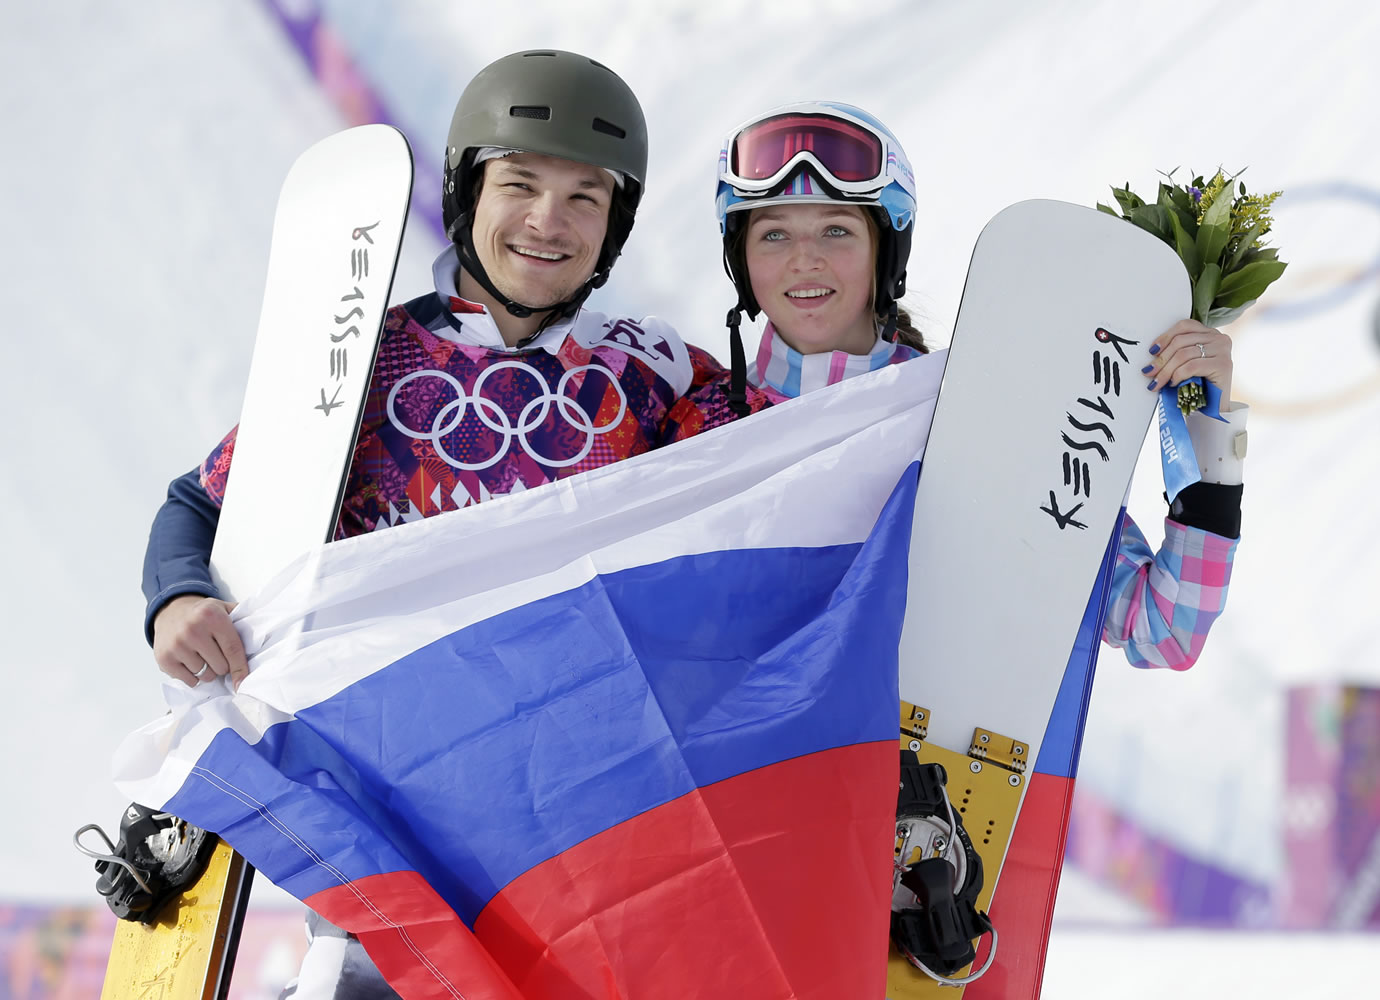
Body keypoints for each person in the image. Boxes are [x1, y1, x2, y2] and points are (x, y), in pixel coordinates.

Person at [142, 49, 731, 690]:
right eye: (519, 184)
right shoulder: (367, 358)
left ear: (612, 228)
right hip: (392, 736)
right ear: (468, 193)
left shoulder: (650, 371)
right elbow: (201, 502)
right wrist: (179, 598)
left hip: (583, 736)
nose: (547, 221)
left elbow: (784, 459)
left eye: (584, 197)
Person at [665, 101, 1246, 670]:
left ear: (884, 252)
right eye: (773, 235)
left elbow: (1163, 629)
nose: (804, 260)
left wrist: (1206, 442)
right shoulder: (695, 428)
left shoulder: (976, 415)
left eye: (836, 230)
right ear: (740, 260)